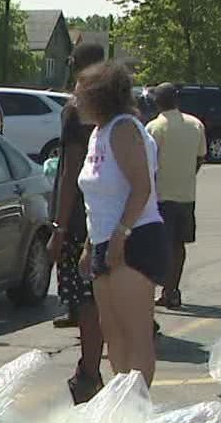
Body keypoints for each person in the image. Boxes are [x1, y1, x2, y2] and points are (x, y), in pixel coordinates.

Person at [72, 61, 169, 385]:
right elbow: (97, 198)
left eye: (80, 94)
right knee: (112, 333)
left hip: (134, 239)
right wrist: (89, 246)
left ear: (100, 96)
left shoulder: (125, 128)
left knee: (135, 331)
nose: (75, 101)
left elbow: (141, 187)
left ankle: (138, 408)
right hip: (103, 240)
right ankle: (121, 401)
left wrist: (119, 236)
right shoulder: (98, 133)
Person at [47, 42, 109, 403]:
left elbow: (71, 169)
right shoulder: (122, 110)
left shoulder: (77, 110)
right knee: (101, 297)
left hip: (80, 218)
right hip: (110, 214)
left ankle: (89, 372)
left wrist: (59, 226)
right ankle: (93, 369)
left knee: (86, 299)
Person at [144, 82, 205, 310]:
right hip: (186, 195)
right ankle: (173, 290)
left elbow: (148, 163)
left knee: (160, 246)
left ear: (157, 102)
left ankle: (163, 291)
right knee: (178, 245)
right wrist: (187, 174)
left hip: (160, 196)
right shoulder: (196, 125)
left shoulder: (154, 128)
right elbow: (201, 157)